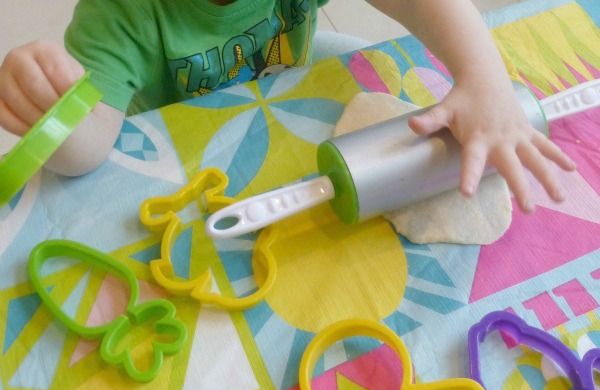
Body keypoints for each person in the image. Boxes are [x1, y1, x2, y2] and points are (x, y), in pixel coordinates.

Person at [0, 0, 575, 212]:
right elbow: (89, 149)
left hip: (292, 106)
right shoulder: (119, 13)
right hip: (191, 158)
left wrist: (487, 81)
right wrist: (54, 115)